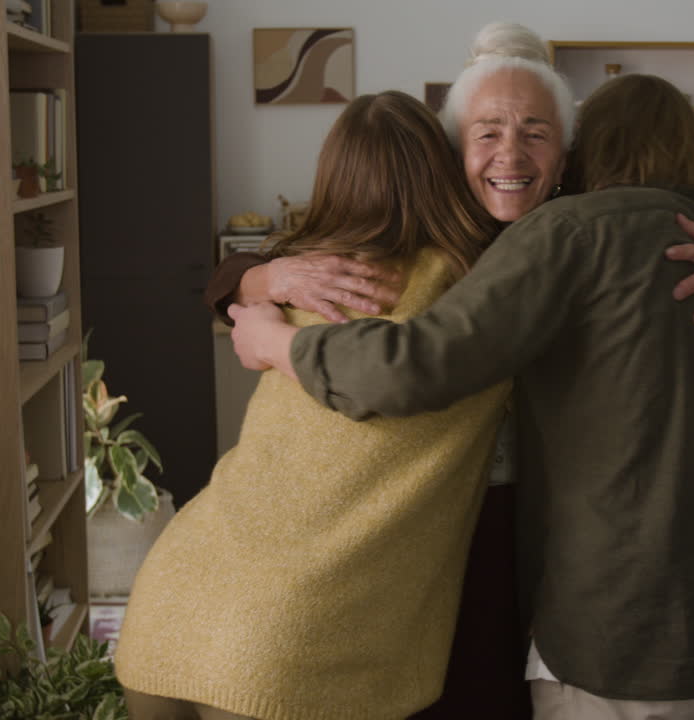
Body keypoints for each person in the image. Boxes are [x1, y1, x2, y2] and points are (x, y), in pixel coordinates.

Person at [205, 23, 694, 719]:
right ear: (455, 146)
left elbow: (410, 363)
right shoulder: (438, 232)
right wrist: (256, 281)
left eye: (535, 132)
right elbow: (300, 279)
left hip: (558, 546)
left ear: (570, 155)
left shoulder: (589, 231)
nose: (510, 154)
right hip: (441, 524)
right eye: (487, 132)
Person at [112, 91, 514, 719]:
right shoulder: (480, 290)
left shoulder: (304, 277)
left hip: (175, 591)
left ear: (333, 177)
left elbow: (232, 288)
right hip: (295, 633)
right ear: (444, 168)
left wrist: (263, 286)